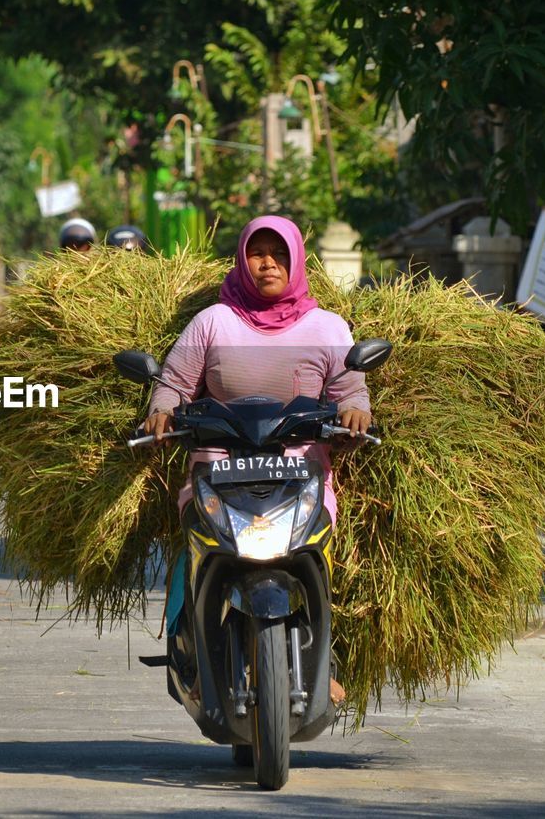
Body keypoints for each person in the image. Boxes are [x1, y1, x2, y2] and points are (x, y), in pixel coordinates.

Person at [142, 215, 372, 706]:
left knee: (322, 554)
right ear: (242, 260)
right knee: (197, 555)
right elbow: (175, 386)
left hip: (299, 473)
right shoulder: (212, 322)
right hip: (217, 472)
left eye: (279, 254)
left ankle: (322, 659)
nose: (268, 263)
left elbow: (352, 393)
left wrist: (355, 415)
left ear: (297, 259)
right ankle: (194, 658)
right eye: (257, 253)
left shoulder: (328, 327)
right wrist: (161, 413)